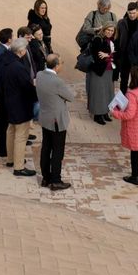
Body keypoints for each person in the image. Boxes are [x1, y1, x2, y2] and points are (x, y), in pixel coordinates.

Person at [34, 52, 76, 190]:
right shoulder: (57, 81)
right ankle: (56, 180)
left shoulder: (39, 75)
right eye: (61, 63)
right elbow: (71, 97)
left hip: (45, 117)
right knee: (58, 151)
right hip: (56, 120)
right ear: (57, 65)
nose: (62, 65)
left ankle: (46, 178)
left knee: (46, 147)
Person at [0, 37, 39, 177]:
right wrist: (36, 94)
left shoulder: (5, 61)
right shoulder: (18, 67)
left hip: (9, 101)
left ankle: (11, 159)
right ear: (21, 51)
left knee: (11, 130)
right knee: (21, 135)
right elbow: (27, 88)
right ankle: (19, 166)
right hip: (20, 104)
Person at [83, 22, 117, 123]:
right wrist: (111, 56)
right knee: (98, 93)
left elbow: (117, 54)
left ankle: (105, 112)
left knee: (108, 92)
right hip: (99, 71)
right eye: (108, 30)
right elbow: (98, 56)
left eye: (112, 31)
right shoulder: (98, 39)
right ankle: (97, 115)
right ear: (104, 29)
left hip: (109, 71)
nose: (110, 32)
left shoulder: (113, 41)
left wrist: (108, 55)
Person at [0, 27, 14, 156]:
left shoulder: (2, 49)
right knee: (2, 119)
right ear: (9, 39)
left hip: (3, 89)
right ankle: (1, 147)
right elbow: (1, 73)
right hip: (3, 90)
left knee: (2, 118)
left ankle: (1, 145)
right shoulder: (2, 52)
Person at [113, 1, 138, 92]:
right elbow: (117, 39)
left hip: (136, 56)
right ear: (127, 12)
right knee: (124, 80)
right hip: (124, 56)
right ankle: (123, 99)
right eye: (130, 13)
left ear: (137, 11)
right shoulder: (121, 23)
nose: (132, 15)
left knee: (137, 79)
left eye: (134, 13)